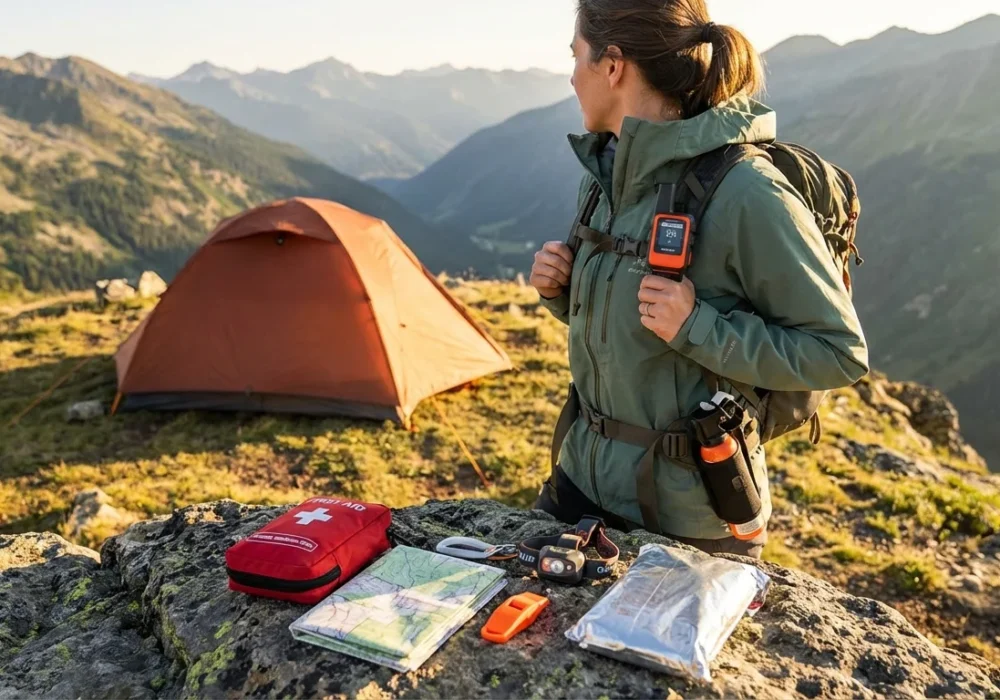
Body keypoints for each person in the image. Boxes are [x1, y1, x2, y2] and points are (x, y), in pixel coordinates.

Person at [530, 0, 869, 559]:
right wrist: (562, 292)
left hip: (688, 515)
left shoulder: (747, 192)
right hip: (578, 484)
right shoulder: (608, 174)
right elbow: (636, 319)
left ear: (612, 66)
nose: (571, 75)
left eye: (577, 56)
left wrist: (698, 327)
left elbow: (838, 352)